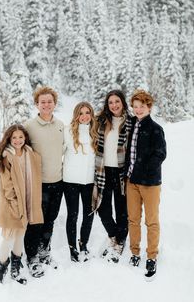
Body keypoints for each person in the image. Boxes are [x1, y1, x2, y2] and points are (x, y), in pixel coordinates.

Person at [0, 125, 43, 285]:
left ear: (25, 138)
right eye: (14, 138)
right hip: (12, 203)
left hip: (27, 201)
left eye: (21, 137)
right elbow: (7, 186)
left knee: (21, 234)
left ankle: (15, 268)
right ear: (8, 139)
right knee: (8, 236)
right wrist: (15, 205)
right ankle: (0, 270)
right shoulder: (7, 156)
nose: (18, 140)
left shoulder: (29, 154)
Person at [125, 89, 166, 280]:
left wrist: (145, 171)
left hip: (150, 183)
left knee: (151, 221)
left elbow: (160, 154)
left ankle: (151, 256)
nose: (138, 110)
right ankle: (134, 252)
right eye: (135, 107)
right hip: (131, 181)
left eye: (142, 106)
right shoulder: (132, 124)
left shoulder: (156, 128)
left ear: (149, 107)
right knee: (133, 219)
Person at [24, 86, 64, 276]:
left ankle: (44, 250)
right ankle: (31, 257)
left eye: (49, 101)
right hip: (38, 183)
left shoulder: (60, 125)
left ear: (54, 103)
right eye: (43, 102)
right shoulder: (29, 126)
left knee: (50, 220)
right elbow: (16, 148)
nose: (46, 104)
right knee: (35, 222)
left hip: (58, 181)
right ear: (37, 104)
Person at [92, 90, 132, 263]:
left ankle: (119, 243)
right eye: (110, 102)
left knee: (122, 209)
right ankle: (114, 235)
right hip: (104, 170)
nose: (114, 105)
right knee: (102, 208)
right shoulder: (101, 122)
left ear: (122, 102)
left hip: (122, 172)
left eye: (117, 101)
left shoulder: (131, 122)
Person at [63, 102, 98, 262]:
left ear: (91, 114)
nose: (84, 116)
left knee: (89, 215)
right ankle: (72, 249)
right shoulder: (68, 131)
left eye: (87, 112)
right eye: (81, 113)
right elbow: (58, 152)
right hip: (70, 180)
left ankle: (83, 245)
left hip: (89, 181)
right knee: (73, 215)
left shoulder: (96, 132)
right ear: (76, 115)